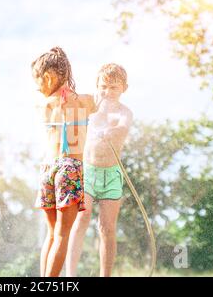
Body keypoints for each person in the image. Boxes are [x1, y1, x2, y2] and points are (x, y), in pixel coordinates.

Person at [32, 47, 95, 277]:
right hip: (69, 168)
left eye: (37, 81)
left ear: (48, 78)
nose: (37, 87)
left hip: (48, 169)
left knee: (51, 234)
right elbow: (100, 102)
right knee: (62, 234)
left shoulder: (43, 105)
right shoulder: (85, 102)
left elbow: (54, 102)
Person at [66, 63, 133, 277]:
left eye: (114, 87)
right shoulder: (90, 106)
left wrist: (110, 131)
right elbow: (71, 103)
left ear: (124, 88)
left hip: (112, 175)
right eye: (104, 86)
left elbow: (123, 126)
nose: (108, 92)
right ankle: (71, 275)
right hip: (88, 172)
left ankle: (106, 276)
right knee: (81, 220)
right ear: (97, 86)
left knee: (107, 228)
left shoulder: (124, 112)